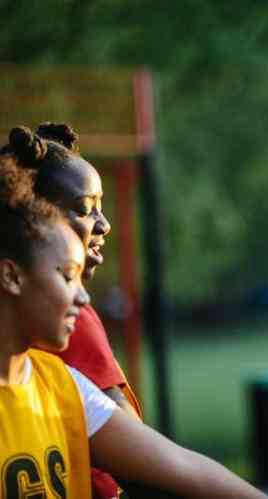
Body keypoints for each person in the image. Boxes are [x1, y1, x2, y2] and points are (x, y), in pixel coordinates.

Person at [0, 130, 268, 499]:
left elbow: (179, 468)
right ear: (12, 274)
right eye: (66, 276)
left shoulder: (63, 386)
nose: (81, 296)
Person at [2, 122, 142, 498]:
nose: (105, 224)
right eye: (85, 209)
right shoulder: (69, 320)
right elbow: (146, 468)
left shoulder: (55, 368)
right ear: (38, 217)